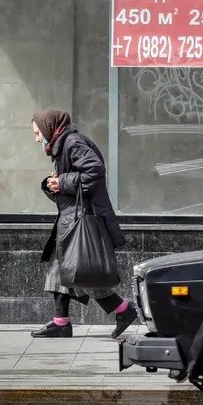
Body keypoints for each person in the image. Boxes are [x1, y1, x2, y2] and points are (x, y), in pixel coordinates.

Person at [29, 108, 137, 339]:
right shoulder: (61, 146)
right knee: (60, 270)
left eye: (38, 133)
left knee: (80, 272)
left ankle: (123, 310)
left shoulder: (72, 142)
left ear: (49, 128)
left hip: (82, 219)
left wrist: (64, 182)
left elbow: (95, 170)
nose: (37, 138)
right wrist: (54, 183)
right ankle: (61, 322)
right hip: (71, 218)